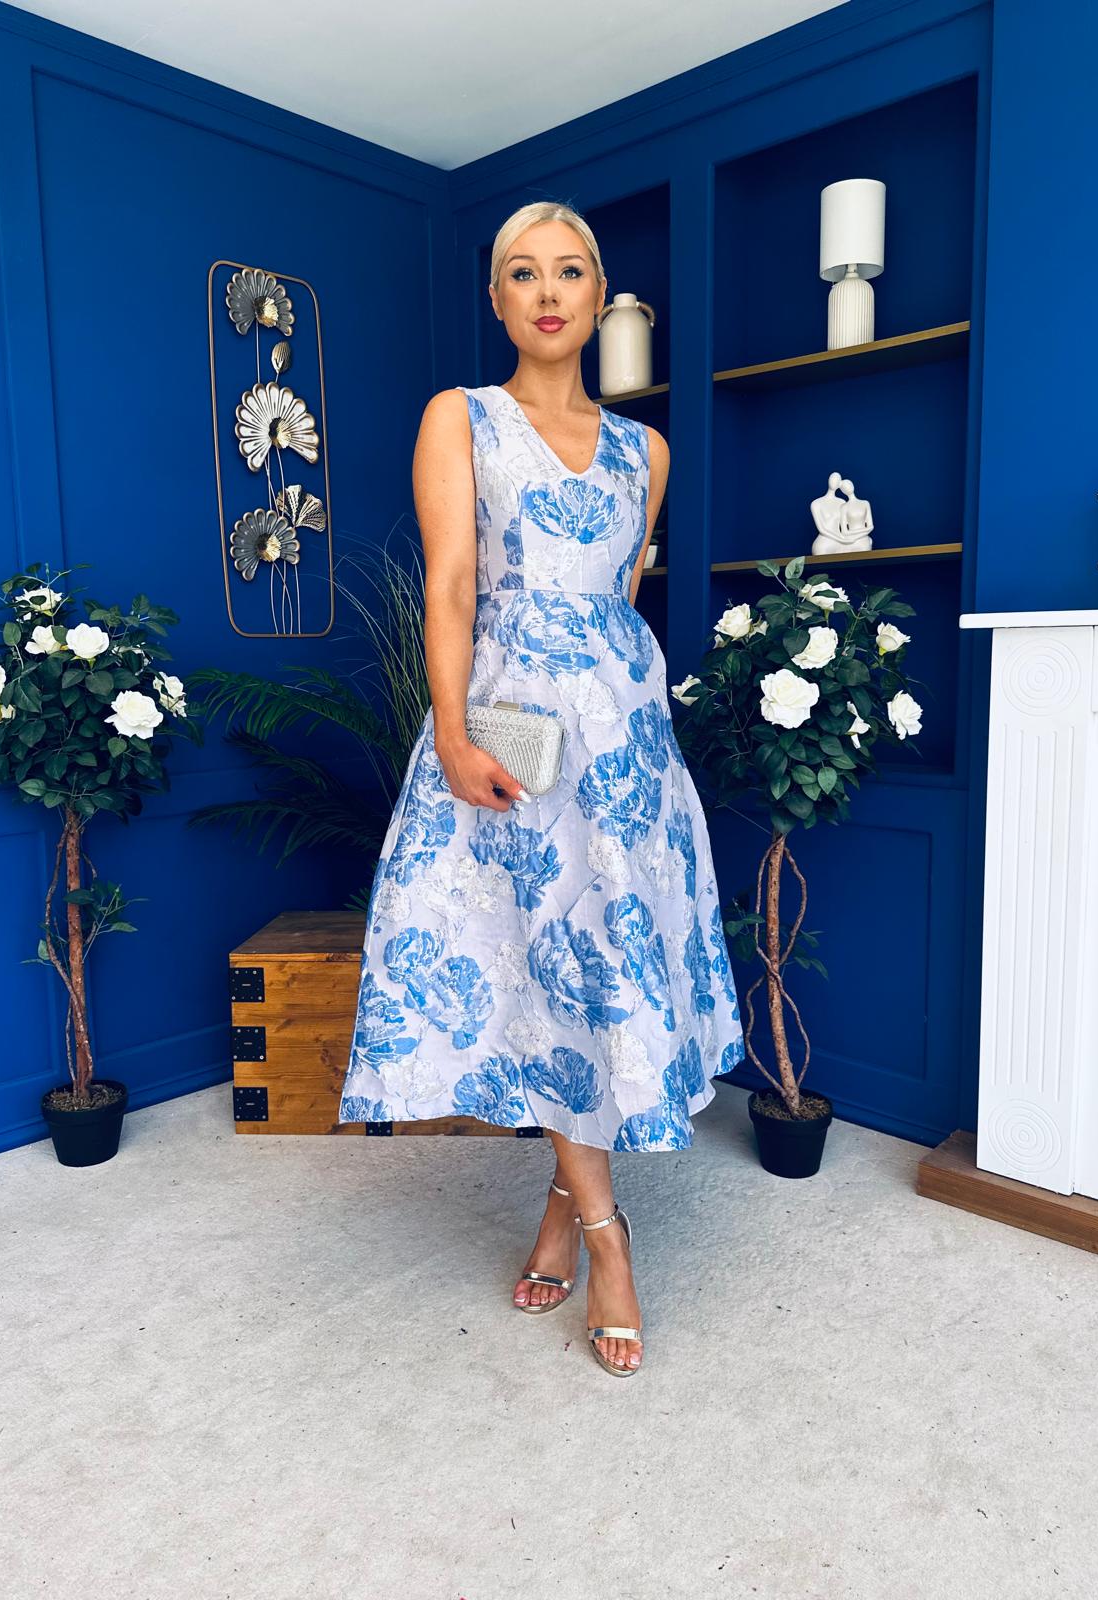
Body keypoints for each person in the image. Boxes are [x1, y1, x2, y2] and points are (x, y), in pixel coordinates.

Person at [338, 199, 744, 1377]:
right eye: (524, 273)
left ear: (600, 295)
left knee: (599, 966)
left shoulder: (645, 452)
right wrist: (454, 734)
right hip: (508, 732)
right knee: (531, 960)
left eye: (570, 271)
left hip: (623, 746)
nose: (549, 291)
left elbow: (617, 601)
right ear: (498, 298)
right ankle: (609, 1236)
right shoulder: (461, 418)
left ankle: (565, 1211)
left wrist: (630, 737)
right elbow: (453, 586)